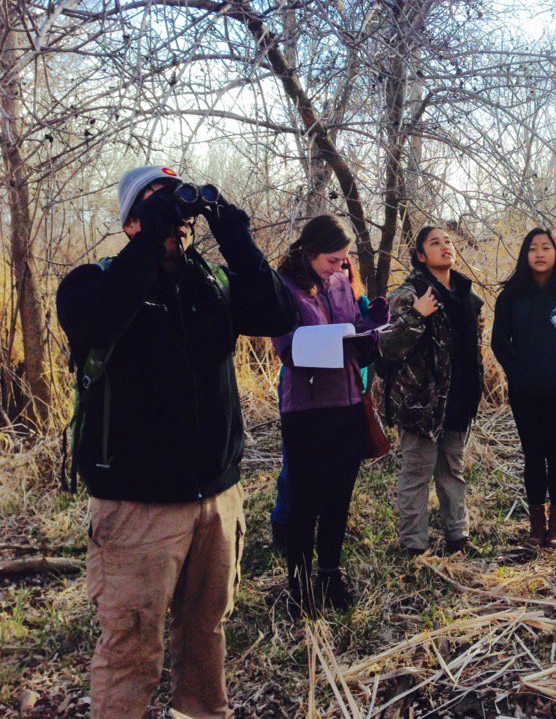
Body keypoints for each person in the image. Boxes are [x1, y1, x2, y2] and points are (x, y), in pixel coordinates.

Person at [56, 166, 297, 718]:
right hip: (135, 507)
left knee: (206, 631)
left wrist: (237, 240)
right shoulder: (93, 282)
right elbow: (94, 323)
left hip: (215, 499)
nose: (176, 218)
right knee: (131, 646)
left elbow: (278, 314)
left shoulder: (210, 283)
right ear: (131, 221)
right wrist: (147, 246)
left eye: (180, 207)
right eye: (156, 205)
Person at [271, 215, 382, 612]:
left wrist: (373, 324)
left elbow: (353, 327)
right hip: (307, 409)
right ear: (310, 251)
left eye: (343, 260)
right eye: (333, 260)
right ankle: (299, 587)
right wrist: (338, 341)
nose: (340, 267)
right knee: (305, 500)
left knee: (339, 497)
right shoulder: (283, 287)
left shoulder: (340, 280)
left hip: (349, 402)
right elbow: (288, 348)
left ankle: (331, 576)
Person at [379, 226, 484, 557]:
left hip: (459, 400)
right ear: (421, 256)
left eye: (449, 241)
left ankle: (458, 538)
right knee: (416, 475)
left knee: (453, 471)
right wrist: (417, 315)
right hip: (419, 405)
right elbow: (387, 348)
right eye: (435, 243)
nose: (445, 247)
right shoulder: (408, 295)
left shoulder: (467, 296)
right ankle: (414, 546)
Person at [491, 228, 556, 549]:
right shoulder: (511, 295)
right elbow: (499, 341)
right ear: (525, 254)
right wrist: (518, 374)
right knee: (533, 455)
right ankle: (537, 526)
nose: (539, 254)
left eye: (546, 247)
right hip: (524, 392)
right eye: (533, 248)